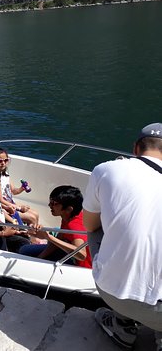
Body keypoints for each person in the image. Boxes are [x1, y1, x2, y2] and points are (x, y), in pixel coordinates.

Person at [83, 123, 162, 350]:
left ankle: (123, 326)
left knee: (95, 226)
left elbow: (89, 224)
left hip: (111, 292)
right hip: (158, 310)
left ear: (136, 148)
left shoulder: (105, 169)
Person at [18, 185, 91, 268]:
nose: (49, 205)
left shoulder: (74, 225)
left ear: (68, 209)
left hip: (81, 267)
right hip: (67, 253)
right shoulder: (67, 217)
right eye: (50, 201)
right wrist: (40, 258)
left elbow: (82, 255)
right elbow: (59, 239)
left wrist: (47, 237)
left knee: (24, 252)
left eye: (54, 203)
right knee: (25, 250)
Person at [0, 165, 30, 253]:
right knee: (23, 241)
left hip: (4, 224)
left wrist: (13, 222)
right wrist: (13, 230)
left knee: (26, 235)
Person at [0, 147, 39, 225]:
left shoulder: (5, 175)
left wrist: (22, 188)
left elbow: (13, 191)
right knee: (32, 218)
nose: (3, 163)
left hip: (10, 203)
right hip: (5, 208)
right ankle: (31, 235)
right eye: (0, 161)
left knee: (36, 214)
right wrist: (19, 207)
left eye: (6, 160)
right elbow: (1, 200)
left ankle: (33, 233)